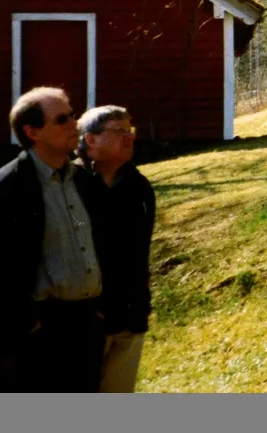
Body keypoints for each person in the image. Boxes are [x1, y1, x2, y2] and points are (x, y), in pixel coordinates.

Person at [0, 87, 106, 392]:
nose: (75, 124)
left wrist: (100, 309)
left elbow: (102, 243)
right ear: (32, 132)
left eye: (72, 115)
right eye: (61, 119)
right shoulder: (7, 188)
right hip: (40, 333)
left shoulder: (84, 181)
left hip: (88, 324)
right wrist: (27, 324)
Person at [77, 105, 155, 393]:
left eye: (130, 131)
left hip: (129, 318)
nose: (129, 137)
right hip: (84, 321)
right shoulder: (70, 186)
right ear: (91, 139)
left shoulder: (138, 186)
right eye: (119, 130)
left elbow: (138, 253)